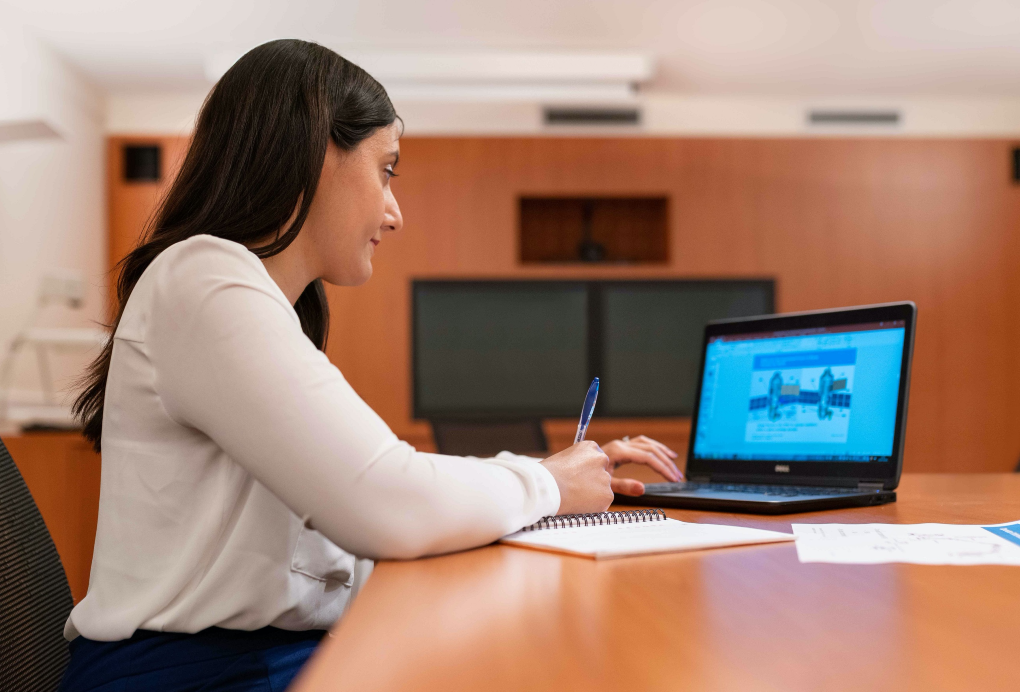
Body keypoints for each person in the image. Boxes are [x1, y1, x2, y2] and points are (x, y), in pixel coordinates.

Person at [60, 39, 682, 692]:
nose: (394, 210)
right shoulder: (201, 278)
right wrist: (546, 485)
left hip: (248, 659)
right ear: (318, 153)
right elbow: (386, 498)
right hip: (186, 677)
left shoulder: (243, 300)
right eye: (386, 170)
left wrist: (539, 497)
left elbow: (362, 522)